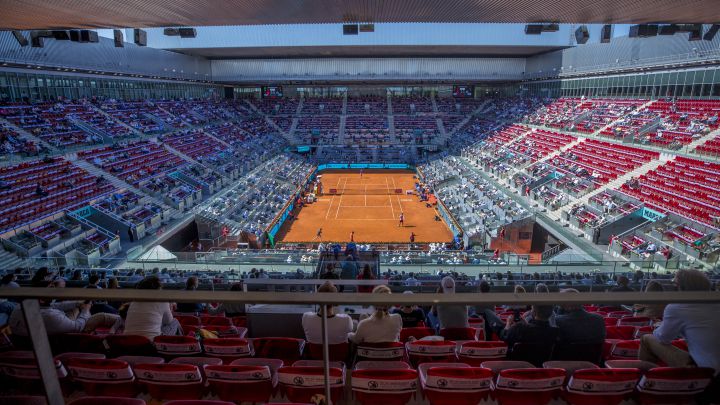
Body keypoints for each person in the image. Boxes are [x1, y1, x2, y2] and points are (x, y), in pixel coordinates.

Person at [639, 269, 720, 374]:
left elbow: (663, 338)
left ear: (680, 286)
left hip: (706, 371)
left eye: (675, 284)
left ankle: (649, 378)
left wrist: (659, 327)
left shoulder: (677, 307)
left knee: (647, 338)